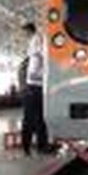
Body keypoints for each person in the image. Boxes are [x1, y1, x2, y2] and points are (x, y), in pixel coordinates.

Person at [21, 23, 49, 156]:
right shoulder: (36, 42)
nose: (24, 35)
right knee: (39, 118)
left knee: (30, 119)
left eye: (25, 32)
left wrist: (31, 78)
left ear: (29, 31)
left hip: (34, 86)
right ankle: (40, 146)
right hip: (38, 86)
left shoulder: (36, 40)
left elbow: (36, 63)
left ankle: (28, 146)